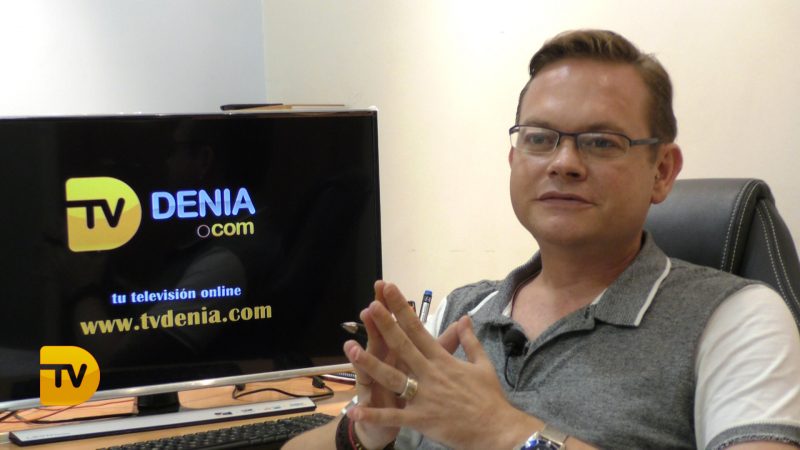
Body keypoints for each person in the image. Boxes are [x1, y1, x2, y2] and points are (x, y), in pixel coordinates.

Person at [284, 29, 800, 450]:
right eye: (539, 138)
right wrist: (366, 431)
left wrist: (506, 433)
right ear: (514, 160)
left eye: (601, 142)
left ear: (662, 171)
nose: (564, 163)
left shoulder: (736, 319)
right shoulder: (461, 314)